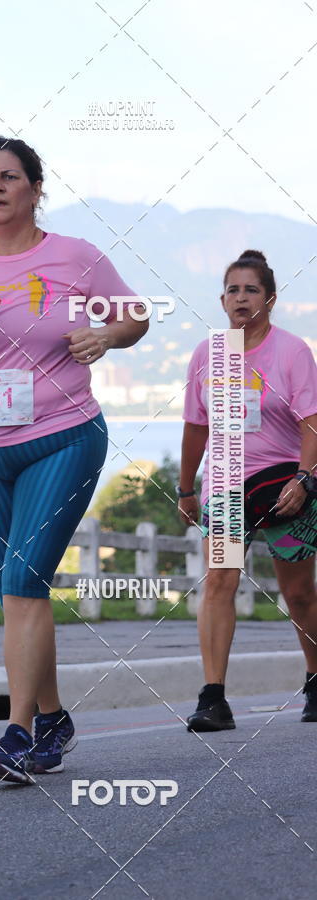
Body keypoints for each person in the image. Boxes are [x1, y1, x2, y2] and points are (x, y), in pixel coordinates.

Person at [0, 135, 148, 782]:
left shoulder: (75, 257)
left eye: (10, 177)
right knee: (20, 590)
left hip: (63, 436)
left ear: (37, 189)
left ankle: (14, 733)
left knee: (21, 580)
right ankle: (54, 719)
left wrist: (106, 333)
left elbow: (136, 317)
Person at [178, 249, 317, 731]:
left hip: (284, 487)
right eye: (233, 289)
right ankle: (213, 697)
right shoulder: (206, 355)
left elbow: (311, 423)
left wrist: (305, 479)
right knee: (220, 580)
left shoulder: (292, 351)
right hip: (225, 487)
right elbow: (196, 427)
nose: (241, 297)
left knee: (298, 594)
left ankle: (316, 678)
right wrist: (185, 488)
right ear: (221, 300)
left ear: (270, 299)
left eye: (251, 289)